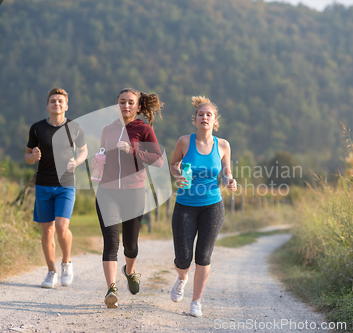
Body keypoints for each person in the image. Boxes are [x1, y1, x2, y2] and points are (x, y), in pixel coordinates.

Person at [93, 88, 164, 308]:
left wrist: (133, 151)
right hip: (107, 191)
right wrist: (99, 162)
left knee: (130, 246)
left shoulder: (144, 130)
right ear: (117, 105)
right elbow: (102, 153)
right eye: (122, 102)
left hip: (134, 192)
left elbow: (158, 160)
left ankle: (130, 271)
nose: (126, 106)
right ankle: (111, 289)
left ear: (138, 106)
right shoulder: (108, 129)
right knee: (111, 242)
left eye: (130, 102)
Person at [169, 96, 237, 317]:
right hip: (185, 205)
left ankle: (196, 302)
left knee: (204, 256)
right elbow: (173, 165)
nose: (204, 117)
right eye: (201, 114)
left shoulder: (223, 145)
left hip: (212, 206)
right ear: (195, 119)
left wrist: (229, 180)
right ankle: (182, 278)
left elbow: (226, 172)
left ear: (215, 120)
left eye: (209, 115)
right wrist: (178, 176)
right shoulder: (184, 142)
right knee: (183, 257)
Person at [25, 88, 88, 288]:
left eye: (60, 101)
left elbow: (84, 151)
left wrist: (76, 161)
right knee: (47, 231)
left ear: (66, 106)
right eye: (53, 101)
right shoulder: (36, 128)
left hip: (65, 185)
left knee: (62, 227)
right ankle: (51, 272)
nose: (57, 104)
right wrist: (32, 157)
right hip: (43, 185)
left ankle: (66, 264)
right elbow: (27, 155)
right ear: (47, 105)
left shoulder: (75, 127)